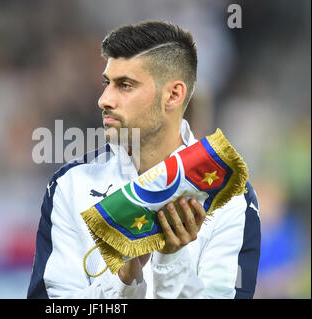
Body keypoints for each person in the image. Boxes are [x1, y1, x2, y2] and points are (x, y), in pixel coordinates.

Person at [27, 21, 261, 299]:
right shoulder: (70, 185)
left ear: (173, 95)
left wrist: (170, 264)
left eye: (125, 85)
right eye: (107, 83)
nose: (104, 99)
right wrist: (123, 283)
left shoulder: (231, 196)